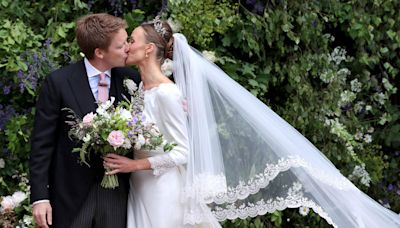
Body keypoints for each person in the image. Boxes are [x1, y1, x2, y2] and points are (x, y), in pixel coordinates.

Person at [104, 18, 400, 228]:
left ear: (149, 50)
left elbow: (183, 152)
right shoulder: (141, 89)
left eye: (132, 40)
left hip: (162, 189)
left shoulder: (168, 93)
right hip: (141, 186)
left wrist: (133, 165)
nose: (127, 45)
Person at [29, 13, 140, 228]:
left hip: (117, 194)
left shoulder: (131, 79)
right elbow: (42, 145)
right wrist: (40, 197)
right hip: (71, 194)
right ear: (99, 52)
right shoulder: (59, 82)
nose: (127, 47)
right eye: (120, 45)